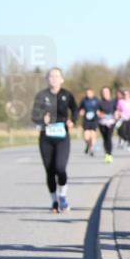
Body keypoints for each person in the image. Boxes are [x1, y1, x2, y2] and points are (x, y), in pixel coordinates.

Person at [31, 67, 77, 213]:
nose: (54, 78)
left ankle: (62, 196)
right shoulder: (41, 95)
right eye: (51, 76)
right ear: (47, 79)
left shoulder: (67, 95)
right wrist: (41, 119)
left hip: (62, 136)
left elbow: (75, 109)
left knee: (60, 168)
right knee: (50, 170)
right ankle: (54, 201)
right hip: (46, 137)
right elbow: (34, 115)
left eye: (57, 76)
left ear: (62, 79)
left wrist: (72, 121)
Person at [96, 86, 117, 163]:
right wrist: (99, 114)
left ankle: (109, 154)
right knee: (105, 138)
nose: (105, 93)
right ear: (102, 93)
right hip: (102, 122)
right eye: (104, 92)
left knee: (109, 137)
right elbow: (97, 111)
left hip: (111, 122)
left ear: (109, 92)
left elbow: (117, 110)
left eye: (107, 92)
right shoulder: (99, 102)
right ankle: (106, 153)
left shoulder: (113, 101)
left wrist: (116, 114)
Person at [79, 88, 100, 156]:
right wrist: (81, 111)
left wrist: (99, 112)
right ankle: (88, 145)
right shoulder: (84, 100)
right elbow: (80, 108)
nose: (88, 94)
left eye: (89, 93)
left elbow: (101, 108)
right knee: (86, 137)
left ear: (92, 93)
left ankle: (91, 148)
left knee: (93, 135)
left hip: (94, 119)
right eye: (87, 93)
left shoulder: (96, 100)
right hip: (86, 120)